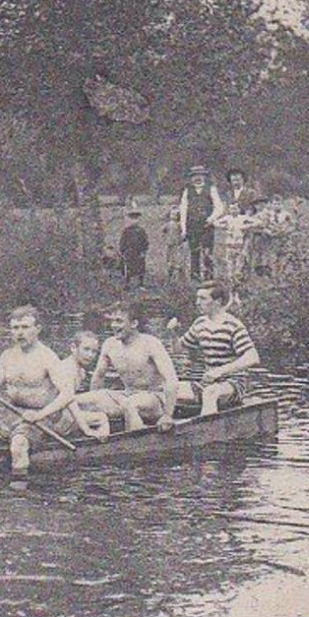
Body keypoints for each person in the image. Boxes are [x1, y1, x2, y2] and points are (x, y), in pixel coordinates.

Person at [0, 305, 80, 474]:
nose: (19, 333)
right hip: (11, 414)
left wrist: (39, 415)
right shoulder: (7, 356)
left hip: (40, 419)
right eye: (15, 328)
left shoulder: (47, 357)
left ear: (37, 329)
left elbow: (68, 394)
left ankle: (19, 496)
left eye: (25, 327)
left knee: (18, 446)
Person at [171, 279, 260, 415]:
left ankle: (208, 433)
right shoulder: (200, 324)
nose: (197, 302)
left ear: (217, 301)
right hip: (207, 383)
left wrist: (220, 371)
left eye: (202, 298)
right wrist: (173, 333)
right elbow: (178, 349)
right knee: (169, 389)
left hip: (233, 383)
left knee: (210, 393)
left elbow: (252, 357)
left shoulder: (233, 325)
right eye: (197, 298)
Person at [88, 301, 179, 433]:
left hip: (154, 399)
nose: (113, 326)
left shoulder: (151, 344)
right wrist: (93, 401)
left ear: (134, 324)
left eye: (119, 321)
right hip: (126, 394)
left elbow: (172, 380)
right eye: (112, 321)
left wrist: (167, 416)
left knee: (130, 404)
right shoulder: (109, 344)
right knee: (79, 401)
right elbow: (98, 376)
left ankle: (137, 447)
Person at [177, 165, 223, 280]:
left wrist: (210, 219)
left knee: (207, 252)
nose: (197, 178)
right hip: (192, 225)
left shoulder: (211, 188)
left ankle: (209, 277)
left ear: (204, 176)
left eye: (200, 175)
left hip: (206, 225)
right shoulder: (187, 190)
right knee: (194, 251)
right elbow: (183, 209)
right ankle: (195, 277)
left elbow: (219, 207)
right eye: (194, 176)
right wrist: (183, 229)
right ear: (191, 178)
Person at [117, 209, 150, 286]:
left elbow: (145, 242)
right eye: (132, 219)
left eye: (136, 219)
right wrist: (122, 251)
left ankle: (141, 283)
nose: (134, 221)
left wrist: (143, 251)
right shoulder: (126, 231)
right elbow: (123, 242)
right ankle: (127, 283)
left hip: (138, 252)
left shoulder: (141, 231)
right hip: (129, 252)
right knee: (128, 267)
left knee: (140, 266)